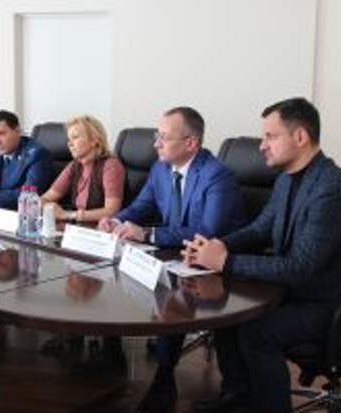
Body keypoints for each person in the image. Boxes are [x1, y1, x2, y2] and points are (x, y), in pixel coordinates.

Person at [183, 97, 341, 413]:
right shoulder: (287, 178)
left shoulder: (333, 189)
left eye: (270, 136)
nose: (262, 145)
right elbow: (260, 229)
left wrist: (225, 262)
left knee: (258, 330)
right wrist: (214, 247)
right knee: (226, 311)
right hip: (293, 292)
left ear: (300, 137)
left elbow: (301, 267)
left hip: (329, 304)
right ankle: (238, 398)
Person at [97, 107, 244, 412]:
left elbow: (207, 232)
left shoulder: (217, 175)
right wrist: (117, 221)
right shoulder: (161, 169)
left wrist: (147, 233)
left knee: (173, 298)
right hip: (176, 257)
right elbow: (141, 206)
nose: (156, 144)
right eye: (157, 136)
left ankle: (164, 380)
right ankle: (111, 354)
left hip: (215, 269)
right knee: (119, 278)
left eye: (164, 137)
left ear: (191, 143)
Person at [41, 115, 125, 223]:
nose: (70, 144)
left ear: (94, 141)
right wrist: (49, 207)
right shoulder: (74, 166)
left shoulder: (111, 166)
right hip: (78, 226)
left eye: (75, 137)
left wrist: (69, 215)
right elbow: (45, 198)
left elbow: (111, 211)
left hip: (102, 228)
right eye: (69, 139)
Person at [0, 110, 53, 209]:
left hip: (22, 211)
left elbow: (30, 193)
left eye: (1, 134)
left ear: (17, 131)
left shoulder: (37, 154)